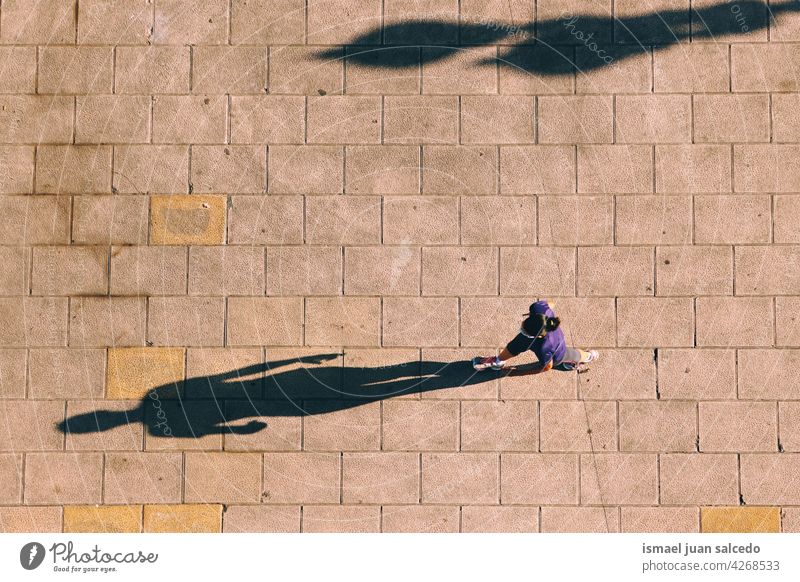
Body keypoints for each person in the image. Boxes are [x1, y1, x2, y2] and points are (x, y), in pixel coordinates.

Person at [472, 299, 599, 374]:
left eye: (524, 330)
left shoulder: (546, 347)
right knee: (513, 346)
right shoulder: (538, 309)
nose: (521, 327)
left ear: (538, 336)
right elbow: (550, 304)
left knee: (571, 354)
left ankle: (589, 356)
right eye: (524, 325)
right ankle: (498, 361)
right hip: (533, 338)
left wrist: (519, 371)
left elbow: (547, 366)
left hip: (557, 352)